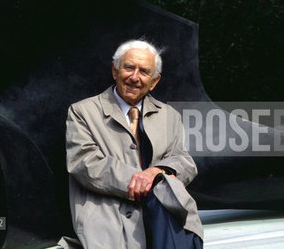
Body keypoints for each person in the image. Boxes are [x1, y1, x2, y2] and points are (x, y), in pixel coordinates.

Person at [59, 39, 200, 249]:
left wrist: (156, 172)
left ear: (154, 81)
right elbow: (85, 163)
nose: (134, 77)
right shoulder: (82, 112)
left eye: (144, 71)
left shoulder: (169, 115)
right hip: (108, 221)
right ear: (115, 71)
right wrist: (139, 181)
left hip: (164, 219)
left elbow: (183, 160)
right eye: (128, 68)